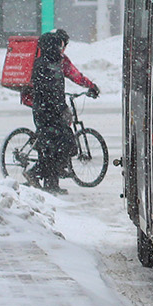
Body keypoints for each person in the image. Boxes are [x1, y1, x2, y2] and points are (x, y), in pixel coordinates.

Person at [27, 30, 99, 192]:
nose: (60, 49)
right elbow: (51, 90)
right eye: (58, 46)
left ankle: (51, 184)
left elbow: (68, 78)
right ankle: (35, 173)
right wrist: (61, 107)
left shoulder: (50, 62)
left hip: (47, 111)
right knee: (64, 145)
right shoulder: (47, 65)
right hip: (49, 113)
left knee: (52, 148)